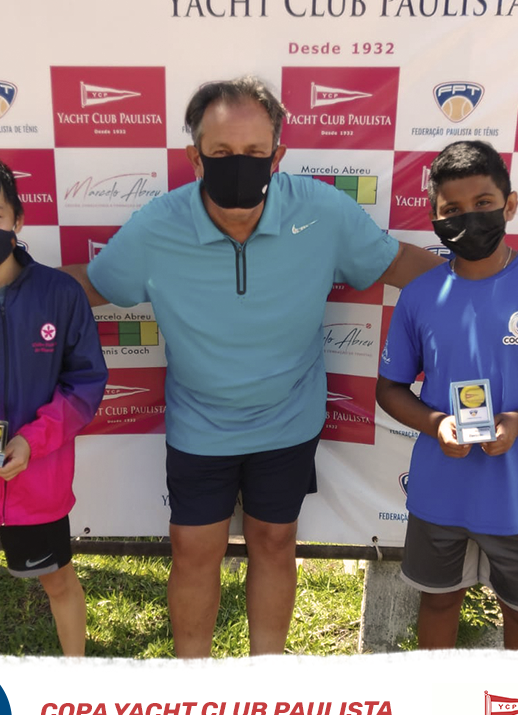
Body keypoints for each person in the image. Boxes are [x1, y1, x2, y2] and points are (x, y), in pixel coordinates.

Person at [62, 76, 442, 659]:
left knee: (274, 542)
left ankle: (266, 680)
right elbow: (89, 287)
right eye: (220, 152)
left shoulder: (320, 210)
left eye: (253, 152)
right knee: (194, 552)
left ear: (277, 155)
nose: (238, 164)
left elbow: (398, 264)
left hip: (289, 419)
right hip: (200, 424)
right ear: (194, 157)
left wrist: (496, 285)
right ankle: (193, 687)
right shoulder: (158, 225)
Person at [0, 154, 108, 656]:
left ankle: (78, 679)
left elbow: (85, 384)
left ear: (18, 219)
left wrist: (34, 441)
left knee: (59, 580)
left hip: (39, 478)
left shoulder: (60, 293)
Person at [376, 140, 518, 649]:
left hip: (514, 498)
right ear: (434, 218)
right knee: (437, 602)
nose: (469, 218)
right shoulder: (420, 295)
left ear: (509, 205)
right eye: (452, 209)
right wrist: (436, 424)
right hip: (440, 493)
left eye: (483, 203)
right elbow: (390, 388)